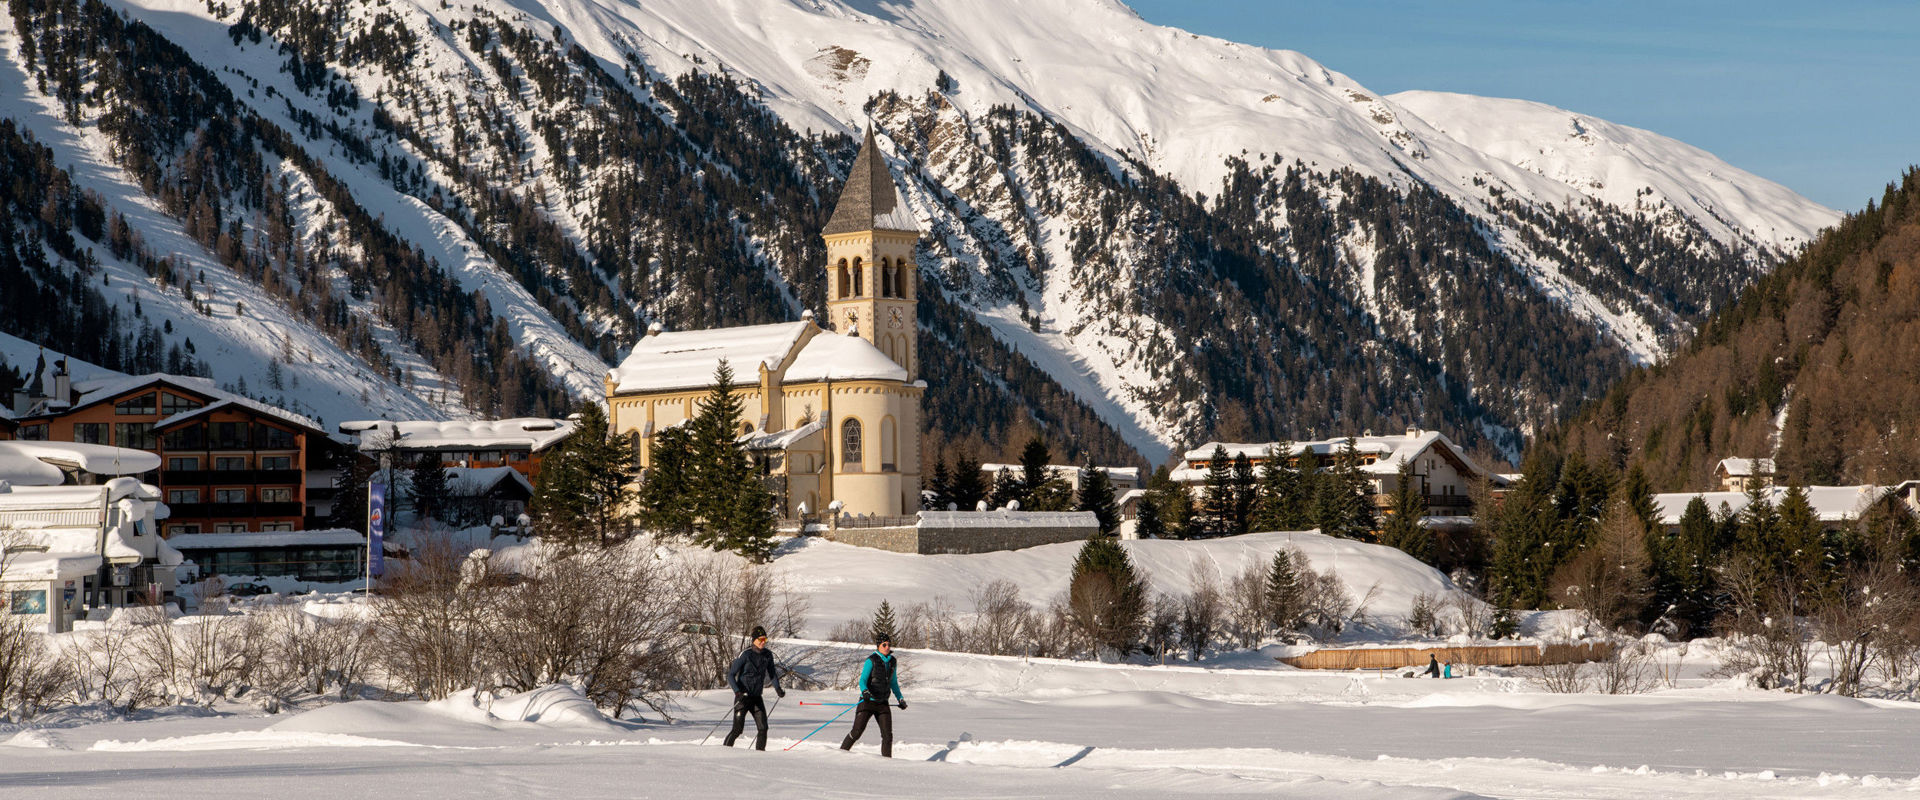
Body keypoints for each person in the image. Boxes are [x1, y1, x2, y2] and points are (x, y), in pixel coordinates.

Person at [839, 637, 906, 757]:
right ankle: (841, 753)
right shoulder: (871, 660)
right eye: (884, 645)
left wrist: (900, 698)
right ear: (879, 646)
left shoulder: (892, 661)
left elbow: (893, 683)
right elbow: (862, 680)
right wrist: (865, 691)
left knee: (887, 736)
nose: (887, 647)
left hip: (883, 703)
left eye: (889, 645)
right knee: (857, 732)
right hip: (867, 702)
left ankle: (886, 762)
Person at [724, 626, 785, 750]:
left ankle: (759, 755)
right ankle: (724, 751)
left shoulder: (767, 655)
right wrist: (737, 692)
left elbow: (772, 673)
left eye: (765, 640)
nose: (763, 642)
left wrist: (778, 689)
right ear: (754, 640)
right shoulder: (746, 655)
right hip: (743, 698)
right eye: (760, 639)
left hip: (757, 697)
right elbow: (730, 675)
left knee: (763, 728)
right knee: (737, 730)